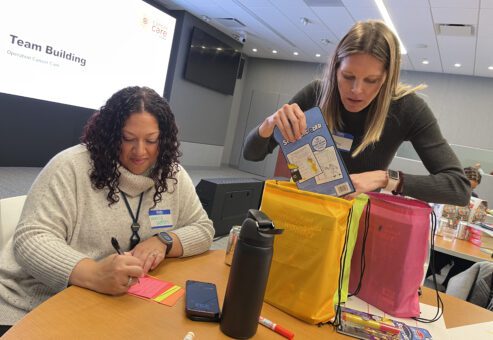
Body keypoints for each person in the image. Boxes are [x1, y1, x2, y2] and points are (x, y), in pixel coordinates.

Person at [0, 86, 214, 334]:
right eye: (128, 138)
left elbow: (203, 228)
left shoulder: (172, 174)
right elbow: (31, 240)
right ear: (111, 135)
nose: (140, 151)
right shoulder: (70, 166)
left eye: (151, 140)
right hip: (32, 303)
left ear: (163, 139)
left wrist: (164, 240)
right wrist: (94, 274)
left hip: (108, 303)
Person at [243, 20, 470, 206]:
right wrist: (270, 123)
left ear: (387, 79)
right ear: (335, 69)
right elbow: (252, 154)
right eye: (348, 76)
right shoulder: (316, 94)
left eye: (371, 80)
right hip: (309, 209)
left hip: (359, 221)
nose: (356, 90)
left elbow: (459, 188)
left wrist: (385, 178)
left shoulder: (408, 108)